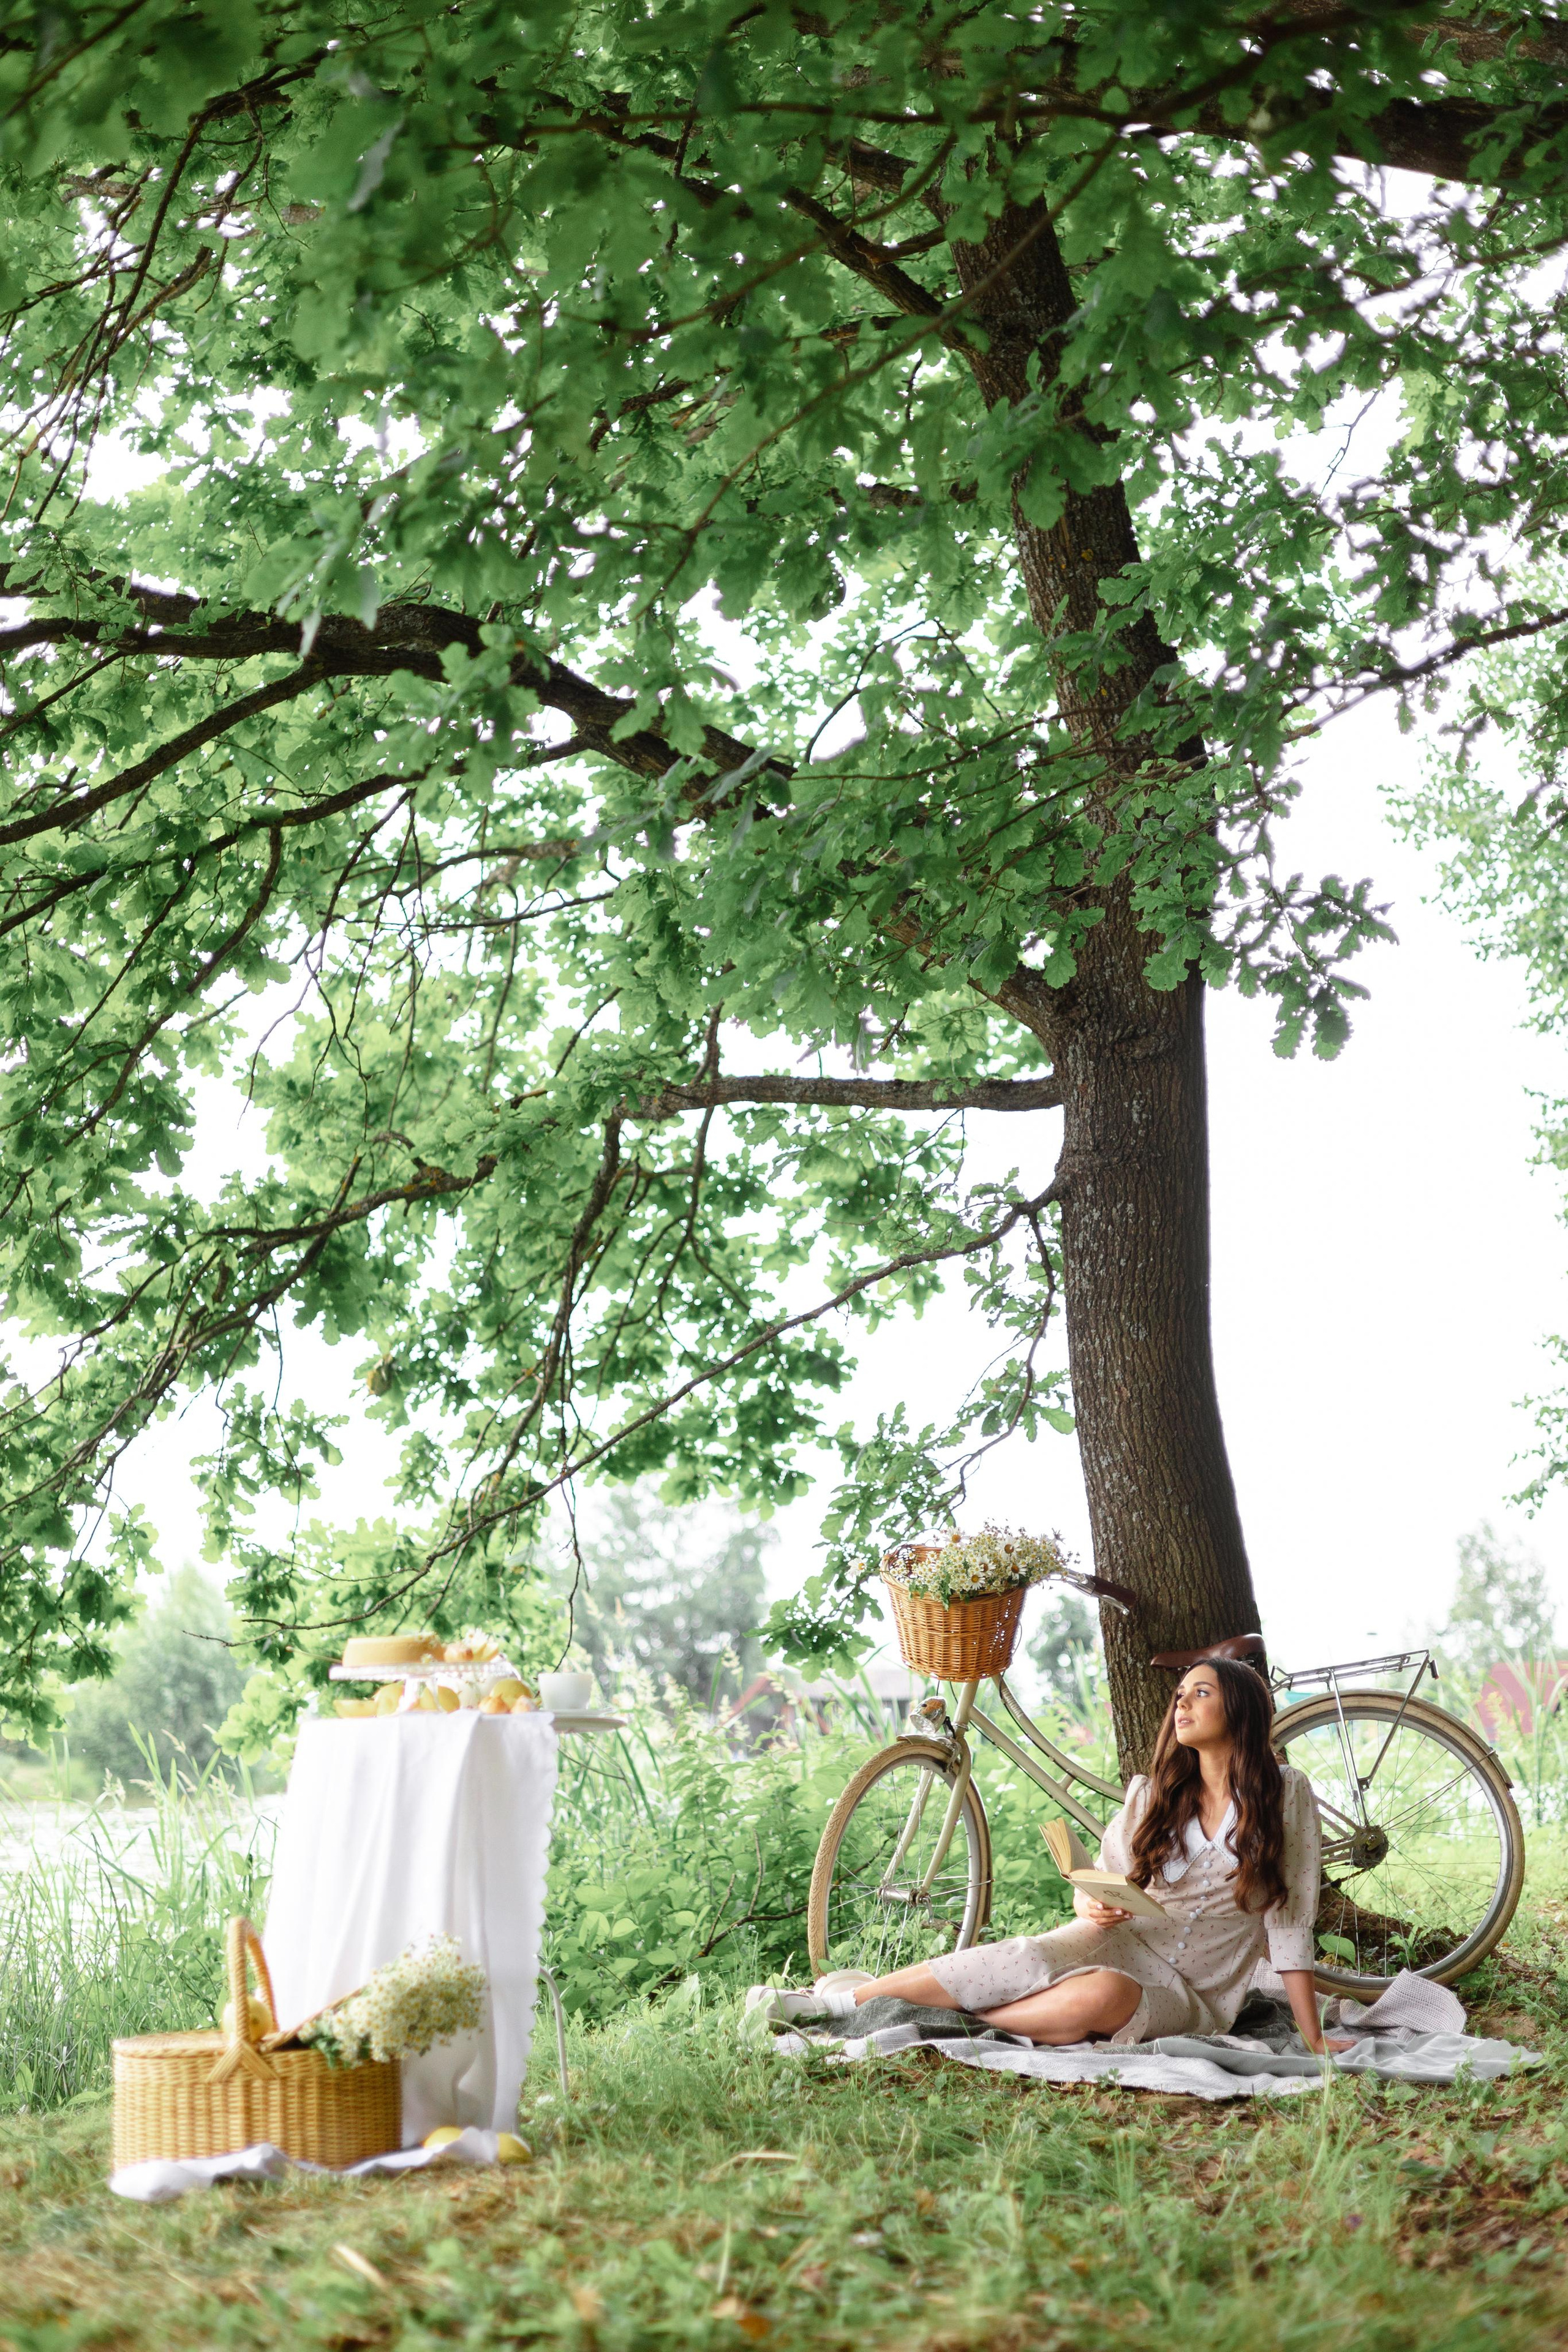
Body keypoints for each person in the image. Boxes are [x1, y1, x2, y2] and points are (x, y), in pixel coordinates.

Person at [764, 1657, 1349, 2055]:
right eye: (1179, 1695)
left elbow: (1290, 1920)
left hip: (1193, 1994)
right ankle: (832, 2004)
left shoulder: (1284, 1792)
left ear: (1241, 1711)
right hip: (1123, 1938)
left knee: (1105, 1996)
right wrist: (1090, 1902)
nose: (1182, 1705)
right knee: (1027, 1954)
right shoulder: (1152, 1794)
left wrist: (1313, 2036)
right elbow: (1099, 1880)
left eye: (1201, 1692)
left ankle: (946, 2023)